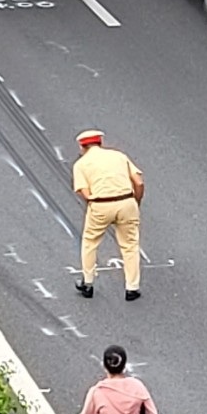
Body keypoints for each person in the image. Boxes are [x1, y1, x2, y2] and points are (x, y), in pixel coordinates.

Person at [72, 129, 145, 301]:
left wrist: (94, 204)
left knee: (90, 241)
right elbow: (139, 182)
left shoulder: (81, 164)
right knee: (130, 244)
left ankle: (88, 283)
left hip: (100, 204)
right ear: (100, 143)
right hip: (126, 201)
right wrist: (136, 202)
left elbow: (85, 192)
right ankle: (132, 287)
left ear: (83, 147)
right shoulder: (119, 156)